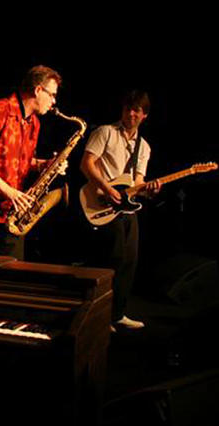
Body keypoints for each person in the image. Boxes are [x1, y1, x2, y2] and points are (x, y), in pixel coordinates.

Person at [0, 65, 64, 259]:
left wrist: (45, 164)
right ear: (38, 90)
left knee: (13, 270)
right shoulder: (1, 109)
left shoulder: (34, 123)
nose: (54, 101)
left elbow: (20, 161)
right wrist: (9, 191)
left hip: (14, 210)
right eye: (51, 95)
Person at [80, 90, 160, 331]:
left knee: (129, 262)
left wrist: (149, 190)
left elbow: (137, 182)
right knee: (109, 261)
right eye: (128, 108)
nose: (131, 113)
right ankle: (98, 316)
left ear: (144, 115)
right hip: (102, 204)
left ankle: (117, 314)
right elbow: (86, 164)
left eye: (137, 110)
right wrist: (106, 187)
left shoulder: (143, 147)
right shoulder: (105, 132)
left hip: (126, 209)